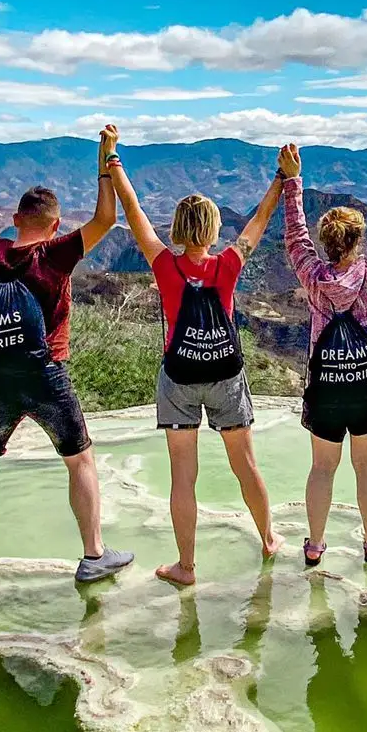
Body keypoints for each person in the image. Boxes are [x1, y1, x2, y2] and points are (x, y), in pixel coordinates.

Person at [0, 126, 131, 587]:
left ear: (15, 218)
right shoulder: (56, 254)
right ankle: (94, 555)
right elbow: (106, 219)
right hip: (46, 376)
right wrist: (105, 160)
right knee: (81, 461)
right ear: (55, 224)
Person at [106, 144, 288, 586]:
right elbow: (258, 225)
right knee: (245, 464)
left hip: (178, 378)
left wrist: (113, 162)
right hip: (225, 376)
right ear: (213, 229)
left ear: (178, 229)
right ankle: (267, 538)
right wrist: (281, 179)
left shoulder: (164, 264)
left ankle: (186, 567)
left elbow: (132, 213)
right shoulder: (227, 264)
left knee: (182, 478)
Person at [280, 143, 367, 567]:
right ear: (359, 241)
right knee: (366, 466)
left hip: (326, 386)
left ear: (326, 242)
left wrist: (292, 182)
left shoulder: (314, 275)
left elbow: (294, 236)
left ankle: (316, 545)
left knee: (322, 468)